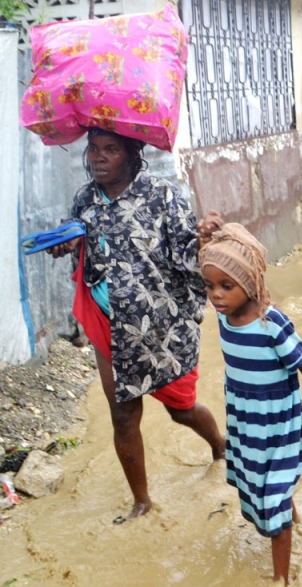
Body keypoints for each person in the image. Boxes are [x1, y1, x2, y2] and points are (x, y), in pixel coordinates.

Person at [48, 128, 225, 520]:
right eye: (93, 149)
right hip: (109, 324)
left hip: (160, 325)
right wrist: (66, 242)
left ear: (132, 154)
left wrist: (201, 241)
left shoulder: (161, 195)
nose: (98, 157)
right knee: (122, 414)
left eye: (110, 150)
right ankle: (142, 502)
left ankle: (219, 446)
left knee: (181, 409)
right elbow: (78, 237)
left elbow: (185, 258)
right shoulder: (85, 199)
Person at [199, 223, 302, 586]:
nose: (216, 295)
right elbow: (212, 266)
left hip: (278, 424)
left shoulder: (272, 323)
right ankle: (294, 517)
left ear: (249, 284)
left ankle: (281, 578)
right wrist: (208, 241)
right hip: (245, 422)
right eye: (210, 286)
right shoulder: (224, 315)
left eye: (226, 286)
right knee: (258, 485)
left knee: (273, 500)